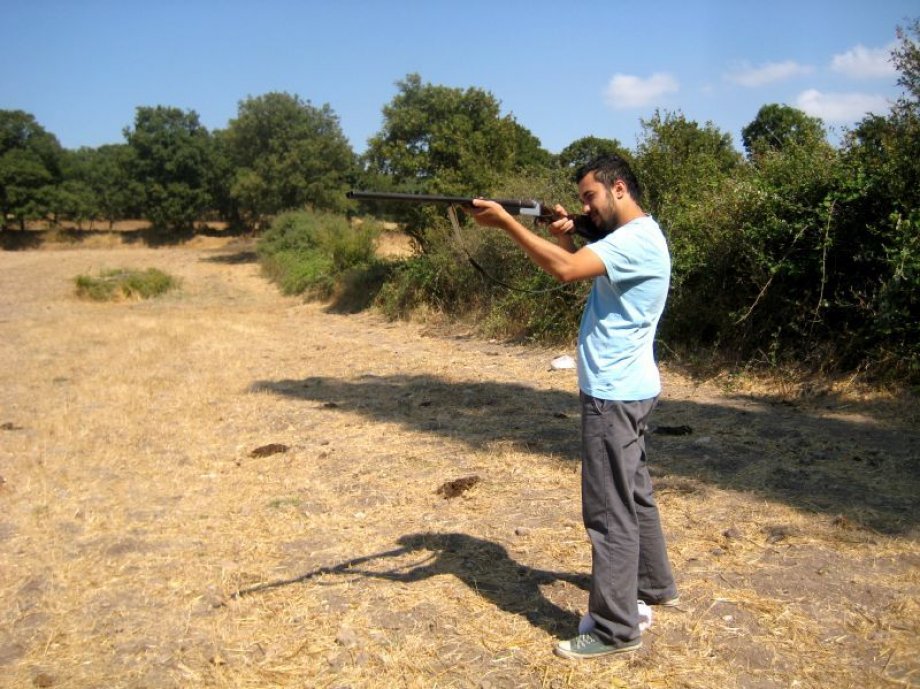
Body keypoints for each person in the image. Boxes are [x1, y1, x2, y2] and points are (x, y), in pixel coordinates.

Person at [467, 154, 678, 660]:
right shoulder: (636, 237)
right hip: (630, 387)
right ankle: (653, 585)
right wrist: (565, 232)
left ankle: (614, 629)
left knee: (608, 511)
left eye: (590, 197)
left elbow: (565, 271)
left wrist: (507, 223)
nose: (586, 207)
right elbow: (581, 263)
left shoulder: (632, 240)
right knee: (635, 494)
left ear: (619, 188)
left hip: (613, 393)